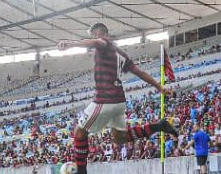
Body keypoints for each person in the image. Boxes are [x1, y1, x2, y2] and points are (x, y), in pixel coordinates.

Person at [57, 22, 178, 174]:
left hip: (104, 99)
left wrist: (70, 43)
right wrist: (160, 87)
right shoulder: (121, 54)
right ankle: (159, 126)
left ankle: (81, 171)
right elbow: (140, 73)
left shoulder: (104, 43)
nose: (92, 39)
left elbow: (96, 42)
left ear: (98, 33)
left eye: (92, 35)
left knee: (79, 132)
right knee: (120, 138)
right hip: (119, 101)